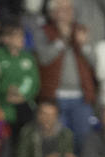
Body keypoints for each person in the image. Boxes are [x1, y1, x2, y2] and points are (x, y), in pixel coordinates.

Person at [35, 0, 98, 142]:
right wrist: (62, 40)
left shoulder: (81, 30)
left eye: (69, 9)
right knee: (57, 140)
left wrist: (83, 45)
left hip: (81, 97)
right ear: (52, 13)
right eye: (62, 9)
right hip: (54, 97)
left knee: (83, 138)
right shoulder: (44, 32)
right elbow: (44, 59)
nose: (67, 13)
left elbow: (95, 62)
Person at [0, 21, 40, 130]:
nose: (22, 38)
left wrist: (21, 94)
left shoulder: (28, 57)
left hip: (24, 107)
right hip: (1, 106)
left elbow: (34, 82)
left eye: (22, 35)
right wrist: (6, 91)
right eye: (17, 35)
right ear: (6, 38)